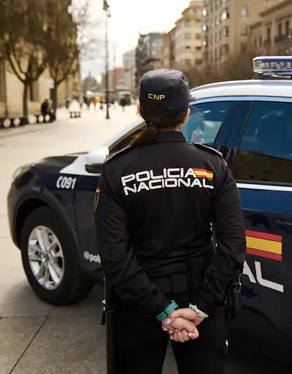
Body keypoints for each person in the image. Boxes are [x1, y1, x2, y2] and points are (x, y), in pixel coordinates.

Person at [94, 68, 246, 374]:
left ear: (139, 112)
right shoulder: (213, 165)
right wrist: (201, 308)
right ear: (187, 114)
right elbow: (232, 246)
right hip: (200, 298)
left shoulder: (116, 169)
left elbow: (115, 258)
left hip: (137, 307)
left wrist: (162, 311)